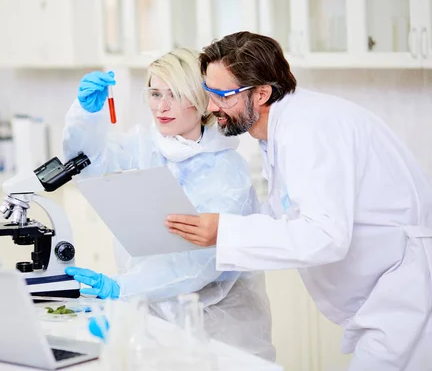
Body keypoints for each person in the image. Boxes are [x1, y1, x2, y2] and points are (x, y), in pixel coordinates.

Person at [165, 32, 432, 371]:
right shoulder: (280, 129)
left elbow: (325, 236)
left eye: (223, 95)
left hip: (406, 289)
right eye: (209, 93)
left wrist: (225, 233)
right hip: (385, 294)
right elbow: (286, 215)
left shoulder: (308, 130)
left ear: (262, 93)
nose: (212, 106)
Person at [62, 48, 275, 360]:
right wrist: (85, 116)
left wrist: (122, 287)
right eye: (154, 93)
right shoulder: (147, 145)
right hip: (154, 320)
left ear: (200, 99)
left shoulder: (227, 172)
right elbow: (88, 164)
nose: (161, 107)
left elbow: (202, 261)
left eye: (174, 94)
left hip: (221, 331)